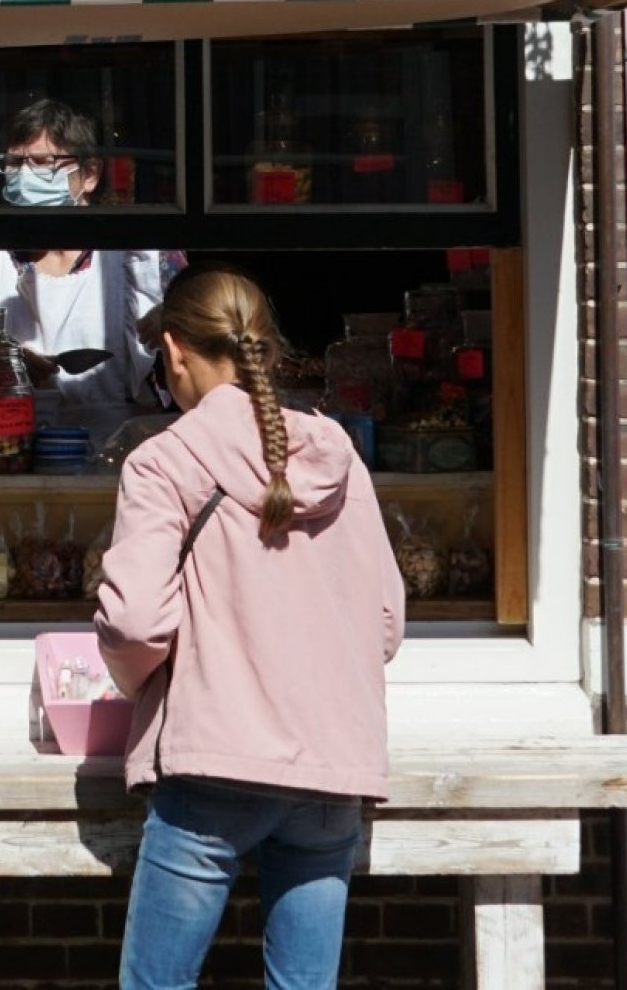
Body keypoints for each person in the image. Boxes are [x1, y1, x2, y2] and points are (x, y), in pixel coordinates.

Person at [93, 266, 405, 990]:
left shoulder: (163, 461)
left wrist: (151, 687)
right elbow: (384, 623)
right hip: (332, 766)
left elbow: (134, 619)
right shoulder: (339, 457)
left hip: (213, 766)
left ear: (174, 353)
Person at [0, 98, 181, 446]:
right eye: (14, 163)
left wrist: (170, 319)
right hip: (9, 449)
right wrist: (4, 362)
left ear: (90, 175)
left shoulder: (138, 262)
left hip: (119, 453)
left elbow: (203, 333)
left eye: (43, 164)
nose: (25, 175)